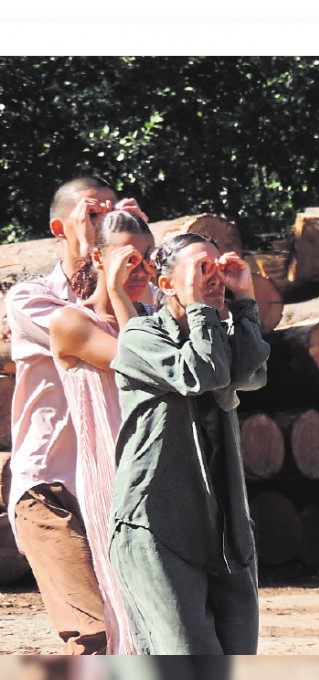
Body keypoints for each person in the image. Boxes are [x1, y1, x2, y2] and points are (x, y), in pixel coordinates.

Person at [108, 233, 271, 654]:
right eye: (201, 269)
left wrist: (246, 299)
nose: (213, 277)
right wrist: (201, 307)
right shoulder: (139, 338)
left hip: (224, 525)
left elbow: (251, 374)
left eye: (217, 268)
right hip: (159, 527)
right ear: (165, 286)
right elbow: (200, 374)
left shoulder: (220, 330)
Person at [6, 175, 147, 654]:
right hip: (51, 488)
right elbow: (100, 337)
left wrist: (141, 253)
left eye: (114, 212)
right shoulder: (30, 299)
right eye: (93, 214)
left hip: (120, 485)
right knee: (94, 635)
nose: (105, 221)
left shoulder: (141, 296)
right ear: (58, 228)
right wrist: (113, 268)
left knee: (141, 628)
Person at [48, 210, 155, 655]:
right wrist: (113, 290)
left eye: (149, 258)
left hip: (166, 466)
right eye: (129, 258)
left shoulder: (155, 316)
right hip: (113, 477)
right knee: (132, 600)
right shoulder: (72, 323)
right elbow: (143, 363)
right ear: (98, 257)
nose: (141, 269)